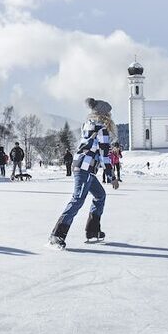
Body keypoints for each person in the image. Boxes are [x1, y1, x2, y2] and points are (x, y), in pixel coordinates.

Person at [49, 98, 119, 249]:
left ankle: (93, 231)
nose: (111, 116)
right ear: (104, 114)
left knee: (100, 195)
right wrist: (112, 177)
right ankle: (57, 235)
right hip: (85, 168)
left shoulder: (87, 125)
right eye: (109, 113)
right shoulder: (102, 129)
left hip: (83, 166)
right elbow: (104, 155)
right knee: (78, 200)